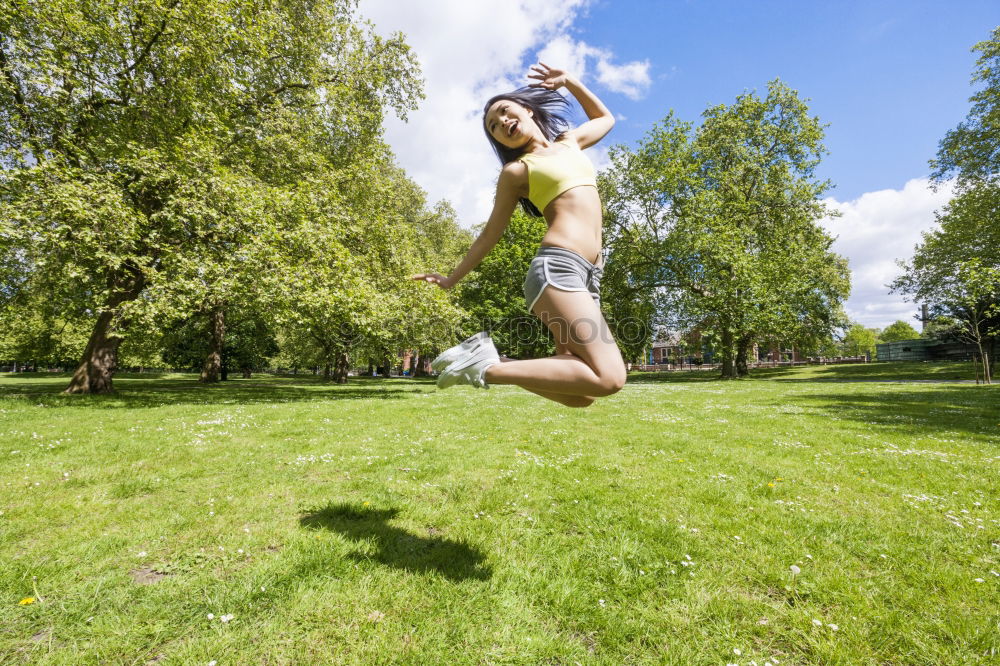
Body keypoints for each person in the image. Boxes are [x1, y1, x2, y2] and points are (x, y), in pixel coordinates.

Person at [411, 63, 626, 408]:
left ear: (526, 109)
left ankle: (490, 361)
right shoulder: (516, 171)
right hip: (559, 269)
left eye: (504, 112)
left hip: (590, 277)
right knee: (610, 377)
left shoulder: (569, 143)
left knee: (582, 395)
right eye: (493, 127)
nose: (501, 124)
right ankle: (487, 368)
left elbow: (606, 118)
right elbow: (490, 235)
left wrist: (569, 81)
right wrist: (451, 279)